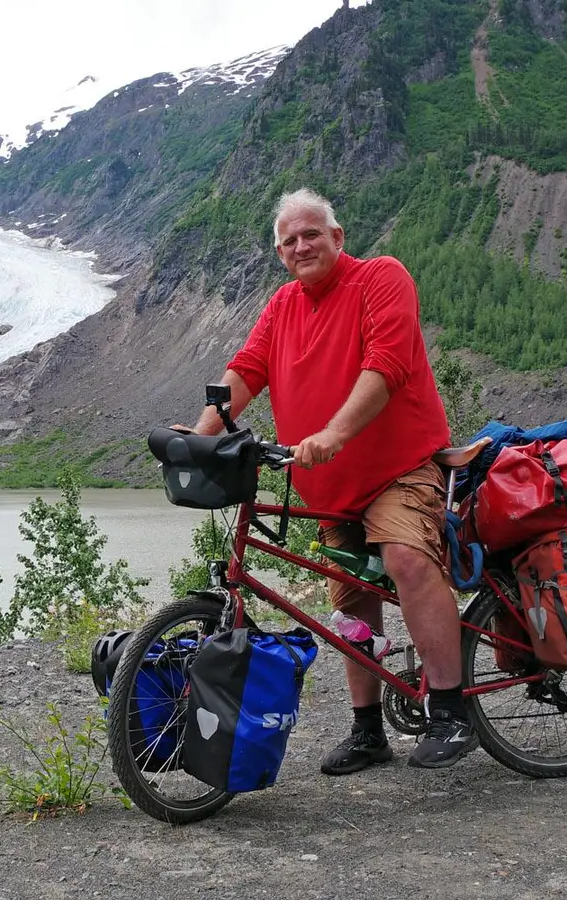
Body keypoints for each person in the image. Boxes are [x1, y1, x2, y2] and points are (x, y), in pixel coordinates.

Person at [183, 188, 476, 773]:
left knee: (406, 559)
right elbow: (246, 371)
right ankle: (369, 730)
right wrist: (201, 436)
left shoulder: (381, 278)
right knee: (351, 602)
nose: (301, 245)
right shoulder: (283, 305)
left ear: (337, 238)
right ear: (280, 253)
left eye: (311, 233)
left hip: (400, 468)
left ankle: (450, 710)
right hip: (332, 486)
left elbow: (387, 365)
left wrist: (336, 433)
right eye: (289, 240)